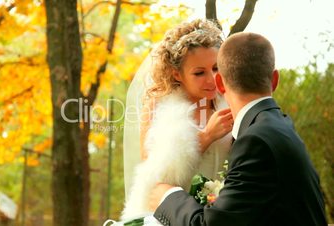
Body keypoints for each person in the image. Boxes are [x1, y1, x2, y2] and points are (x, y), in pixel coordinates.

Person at [150, 32, 328, 226]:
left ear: (220, 83)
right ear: (275, 80)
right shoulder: (280, 125)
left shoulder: (255, 141)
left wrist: (168, 195)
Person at [121, 19, 233, 222]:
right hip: (169, 215)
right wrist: (206, 136)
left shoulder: (232, 102)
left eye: (216, 68)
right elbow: (156, 176)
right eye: (199, 73)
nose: (211, 79)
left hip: (222, 214)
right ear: (177, 74)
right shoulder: (157, 107)